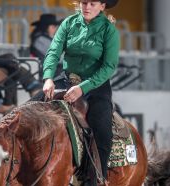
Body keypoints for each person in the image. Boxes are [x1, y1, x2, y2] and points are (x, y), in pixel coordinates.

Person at [42, 0, 120, 184]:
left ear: (102, 6)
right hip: (66, 78)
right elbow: (53, 51)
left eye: (92, 3)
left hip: (96, 85)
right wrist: (48, 78)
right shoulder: (68, 23)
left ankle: (97, 178)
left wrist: (82, 88)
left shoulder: (109, 30)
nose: (87, 7)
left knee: (101, 129)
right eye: (84, 2)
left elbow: (109, 67)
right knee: (31, 108)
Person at [29, 13, 62, 78]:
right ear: (45, 27)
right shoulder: (40, 40)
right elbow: (57, 56)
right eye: (53, 27)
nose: (55, 29)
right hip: (49, 72)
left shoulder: (45, 38)